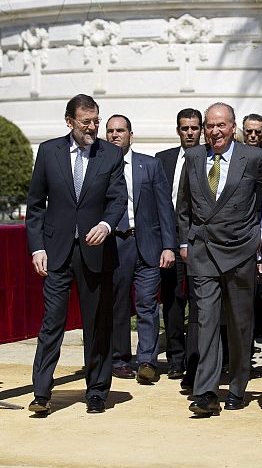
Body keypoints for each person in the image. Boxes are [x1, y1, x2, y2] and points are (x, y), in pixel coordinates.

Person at [25, 94, 127, 415]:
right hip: (56, 253)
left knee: (97, 324)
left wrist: (107, 226)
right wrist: (37, 246)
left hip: (96, 253)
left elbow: (117, 200)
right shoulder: (48, 151)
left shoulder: (109, 154)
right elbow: (35, 205)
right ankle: (42, 392)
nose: (93, 127)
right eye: (86, 122)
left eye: (96, 121)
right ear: (69, 121)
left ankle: (97, 391)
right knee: (52, 322)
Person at [177, 102, 262, 416]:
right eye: (210, 125)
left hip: (240, 250)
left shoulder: (255, 157)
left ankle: (237, 386)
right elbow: (184, 205)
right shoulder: (193, 157)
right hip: (203, 250)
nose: (214, 131)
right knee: (205, 322)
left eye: (221, 125)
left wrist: (259, 237)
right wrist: (184, 240)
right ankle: (206, 392)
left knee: (240, 323)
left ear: (234, 128)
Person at [106, 115, 176, 383]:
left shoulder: (150, 164)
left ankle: (147, 360)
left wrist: (168, 246)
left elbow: (164, 208)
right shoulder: (99, 167)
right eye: (110, 131)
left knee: (147, 304)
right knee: (118, 305)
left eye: (120, 130)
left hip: (147, 243)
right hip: (116, 244)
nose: (115, 135)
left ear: (130, 135)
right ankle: (120, 359)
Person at [156, 108, 202, 382]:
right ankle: (175, 358)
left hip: (199, 240)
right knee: (172, 300)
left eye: (194, 128)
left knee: (199, 300)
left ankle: (195, 358)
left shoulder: (210, 159)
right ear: (178, 130)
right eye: (184, 128)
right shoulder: (163, 160)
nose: (189, 132)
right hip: (169, 239)